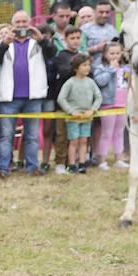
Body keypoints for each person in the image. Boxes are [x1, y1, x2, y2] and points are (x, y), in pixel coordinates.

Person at [0, 10, 55, 176]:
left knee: (32, 135)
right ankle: (4, 168)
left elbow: (52, 53)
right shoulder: (6, 42)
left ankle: (32, 167)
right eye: (17, 22)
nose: (21, 25)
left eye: (24, 22)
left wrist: (41, 38)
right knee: (6, 135)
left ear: (30, 23)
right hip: (9, 97)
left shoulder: (38, 42)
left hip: (33, 96)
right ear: (12, 24)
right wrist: (4, 43)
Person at [47, 27, 82, 173]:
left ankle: (72, 161)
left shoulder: (82, 55)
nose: (75, 41)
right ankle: (60, 162)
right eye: (72, 38)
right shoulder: (62, 55)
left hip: (79, 102)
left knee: (75, 135)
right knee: (61, 134)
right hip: (63, 102)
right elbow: (64, 71)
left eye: (78, 38)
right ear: (66, 40)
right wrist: (78, 69)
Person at [57, 53, 100, 173]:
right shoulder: (70, 82)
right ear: (76, 68)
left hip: (87, 117)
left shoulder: (91, 82)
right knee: (73, 141)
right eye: (84, 65)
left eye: (88, 65)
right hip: (73, 118)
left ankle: (82, 163)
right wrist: (71, 111)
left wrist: (92, 110)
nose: (87, 67)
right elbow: (61, 98)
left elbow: (98, 97)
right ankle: (71, 165)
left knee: (84, 141)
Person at [92, 41, 130, 168]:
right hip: (108, 104)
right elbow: (100, 81)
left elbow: (128, 84)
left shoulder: (125, 68)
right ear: (105, 54)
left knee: (119, 132)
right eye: (112, 53)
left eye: (118, 53)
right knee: (106, 133)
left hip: (122, 104)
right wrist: (111, 70)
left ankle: (118, 158)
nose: (115, 56)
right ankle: (102, 160)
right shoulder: (101, 68)